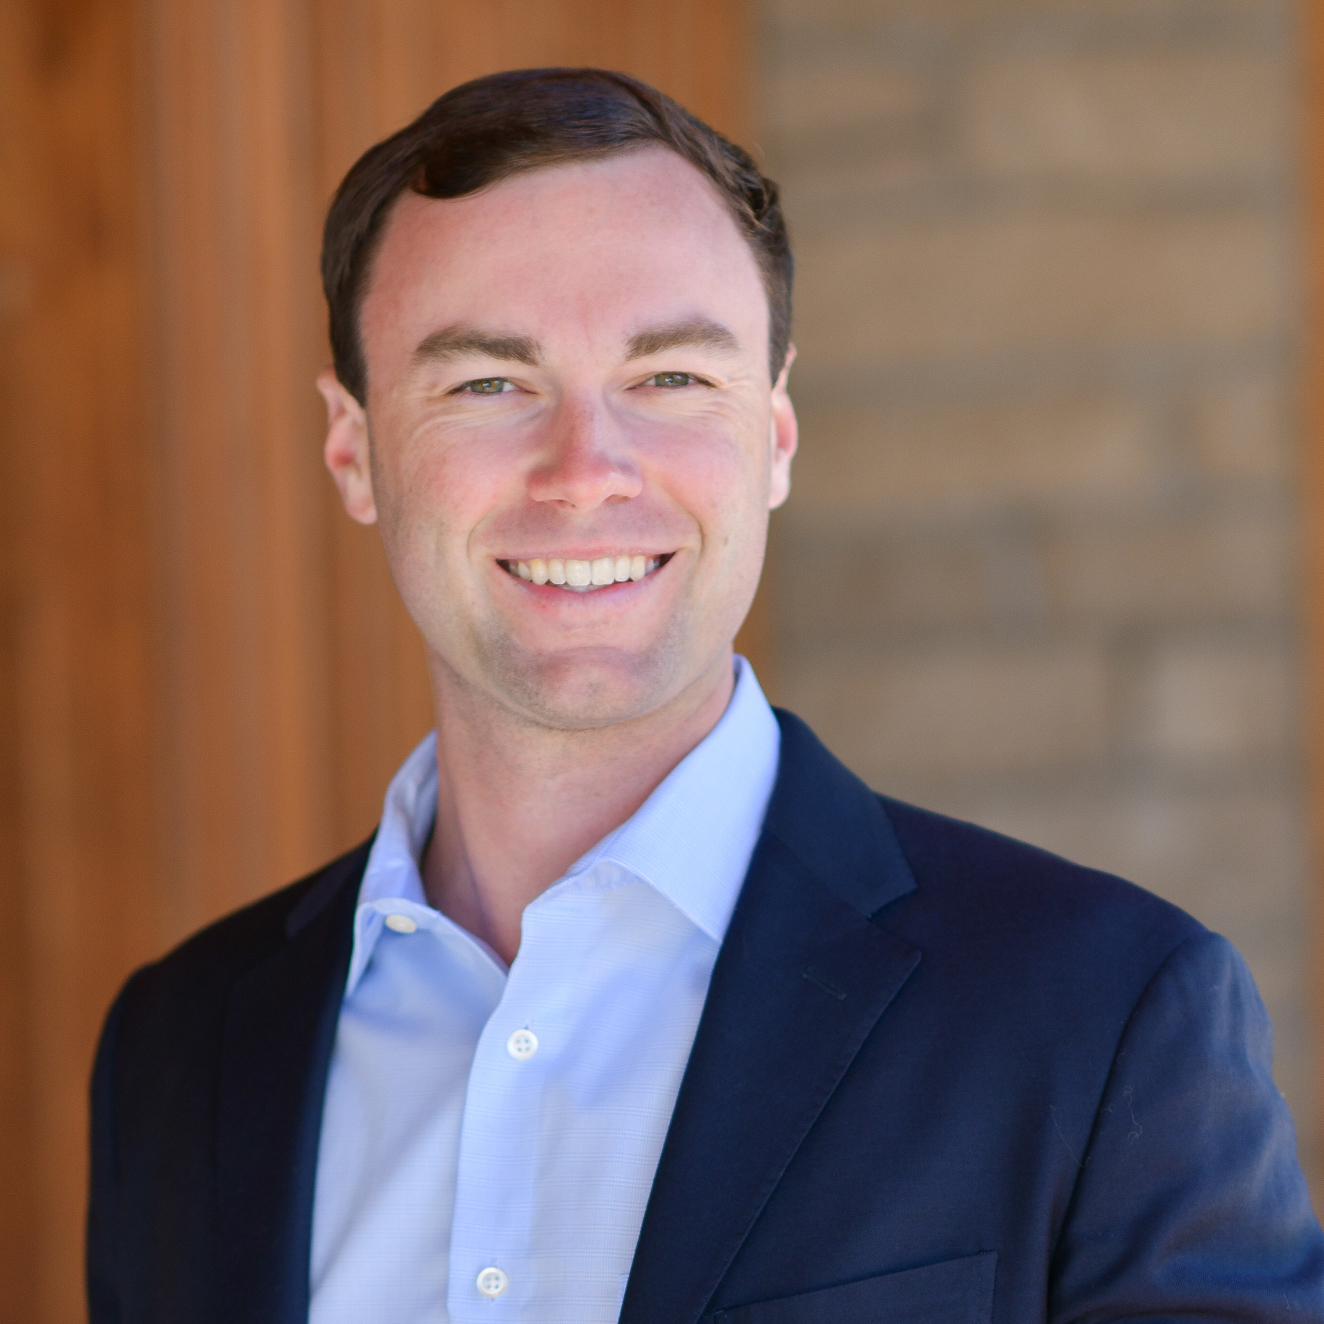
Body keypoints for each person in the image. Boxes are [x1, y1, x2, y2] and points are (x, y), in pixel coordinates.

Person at [87, 67, 1324, 1324]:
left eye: (672, 377)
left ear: (774, 434)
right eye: (486, 384)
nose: (586, 472)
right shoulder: (180, 1051)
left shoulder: (1102, 1016)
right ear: (353, 449)